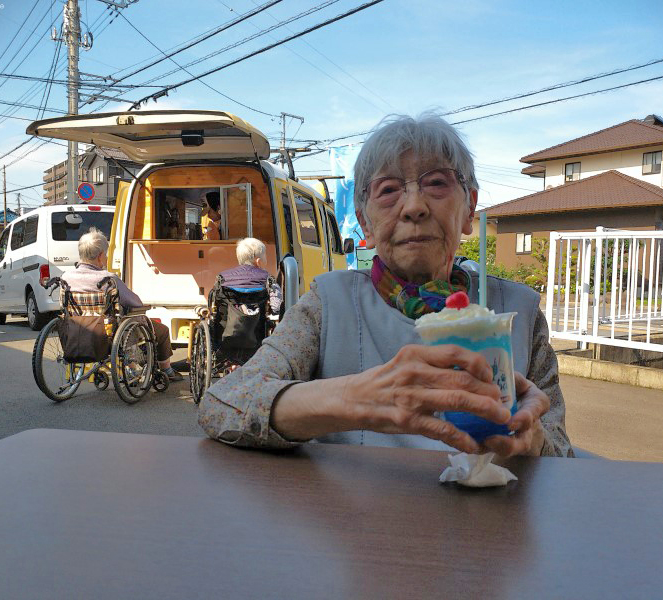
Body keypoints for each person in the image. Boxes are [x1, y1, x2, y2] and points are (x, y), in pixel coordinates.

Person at [198, 113, 573, 458]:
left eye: (437, 183)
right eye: (389, 189)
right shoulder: (328, 303)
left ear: (469, 209)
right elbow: (224, 404)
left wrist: (534, 440)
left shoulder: (519, 310)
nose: (414, 207)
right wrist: (354, 398)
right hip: (361, 527)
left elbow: (562, 453)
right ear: (365, 223)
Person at [61, 228, 183, 382]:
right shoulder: (108, 279)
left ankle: (134, 365)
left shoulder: (66, 277)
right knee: (162, 331)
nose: (105, 258)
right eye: (105, 255)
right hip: (109, 330)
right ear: (100, 257)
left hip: (77, 329)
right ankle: (167, 369)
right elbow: (134, 302)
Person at [218, 237, 282, 315]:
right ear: (258, 261)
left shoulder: (223, 277)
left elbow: (219, 305)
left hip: (230, 325)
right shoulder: (268, 279)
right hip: (259, 325)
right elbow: (276, 308)